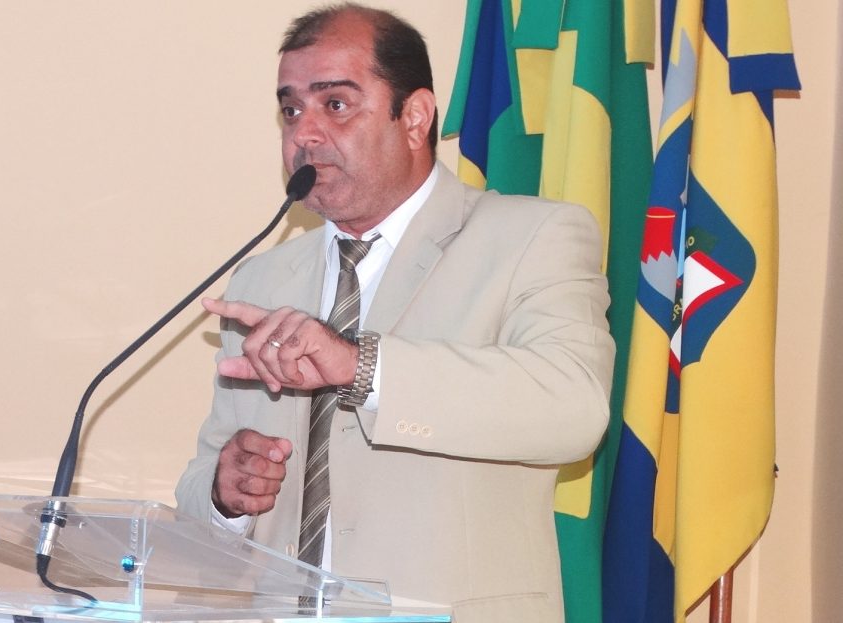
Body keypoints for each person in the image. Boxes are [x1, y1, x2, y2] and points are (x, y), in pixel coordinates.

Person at [175, 4, 615, 622]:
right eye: (291, 110)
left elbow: (574, 409)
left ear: (415, 117)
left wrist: (362, 366)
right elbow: (202, 486)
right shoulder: (263, 279)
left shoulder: (531, 237)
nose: (304, 134)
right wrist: (227, 492)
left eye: (335, 104)